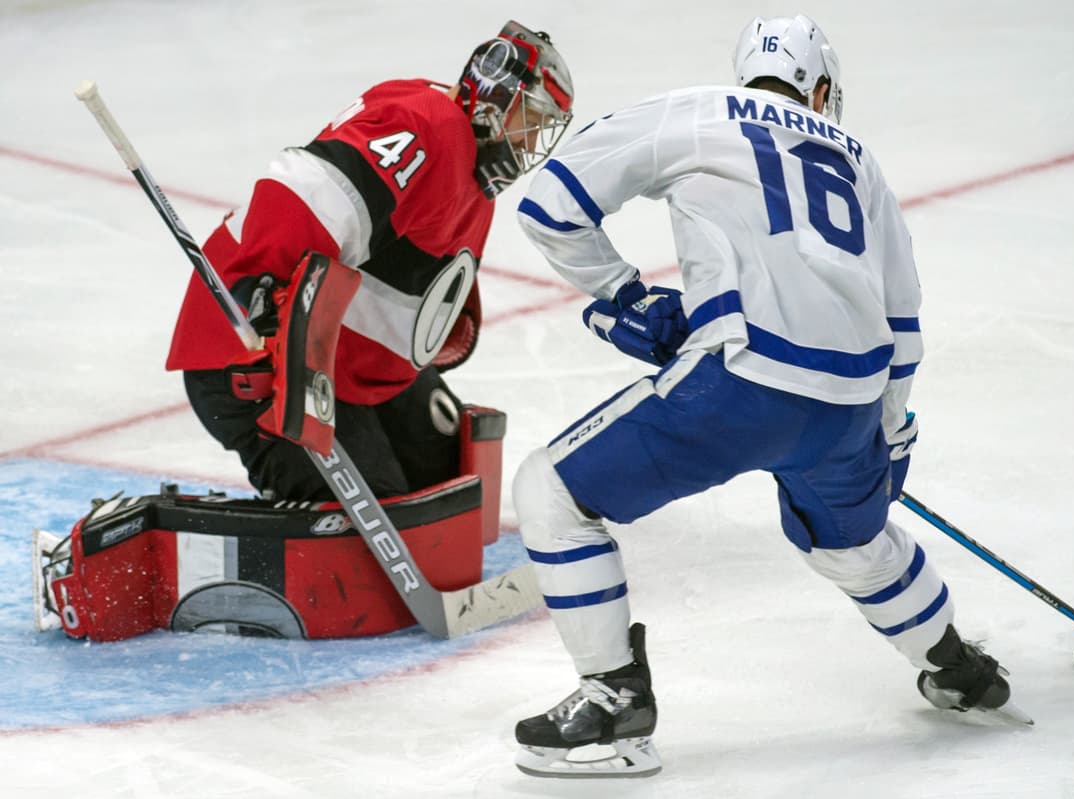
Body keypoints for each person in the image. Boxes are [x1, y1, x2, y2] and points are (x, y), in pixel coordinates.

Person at [509, 14, 1026, 779]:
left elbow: (549, 202)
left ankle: (614, 697)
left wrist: (622, 295)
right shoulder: (859, 158)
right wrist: (889, 433)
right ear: (819, 89)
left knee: (549, 491)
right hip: (850, 400)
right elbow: (904, 316)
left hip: (740, 381)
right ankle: (957, 669)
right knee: (853, 544)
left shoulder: (697, 109)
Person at [166, 21, 574, 501]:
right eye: (529, 118)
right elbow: (310, 194)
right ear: (495, 98)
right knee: (375, 516)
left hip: (342, 364)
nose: (530, 143)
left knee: (448, 471)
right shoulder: (427, 124)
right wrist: (261, 284)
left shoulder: (470, 166)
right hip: (255, 352)